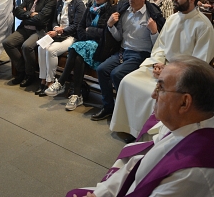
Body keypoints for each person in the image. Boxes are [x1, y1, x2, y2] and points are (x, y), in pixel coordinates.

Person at [66, 56, 214, 197]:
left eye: (161, 88)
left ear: (184, 103)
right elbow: (139, 166)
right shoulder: (183, 124)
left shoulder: (193, 171)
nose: (153, 95)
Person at [110, 0, 214, 140]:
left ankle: (147, 137)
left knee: (151, 94)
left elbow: (199, 64)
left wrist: (169, 71)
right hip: (162, 67)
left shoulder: (204, 26)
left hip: (182, 78)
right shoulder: (172, 19)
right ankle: (129, 128)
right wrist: (158, 63)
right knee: (127, 81)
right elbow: (160, 46)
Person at [92, 0, 164, 121]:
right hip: (123, 52)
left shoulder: (151, 15)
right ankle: (108, 107)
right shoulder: (124, 11)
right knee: (102, 69)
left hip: (141, 54)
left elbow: (158, 47)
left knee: (117, 74)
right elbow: (119, 37)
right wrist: (110, 25)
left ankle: (125, 112)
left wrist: (154, 31)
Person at [45, 0, 120, 111]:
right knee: (79, 56)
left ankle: (61, 82)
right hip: (86, 44)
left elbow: (107, 33)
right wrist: (87, 34)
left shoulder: (113, 10)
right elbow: (80, 27)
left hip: (103, 47)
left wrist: (89, 31)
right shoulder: (91, 6)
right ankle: (76, 94)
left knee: (76, 48)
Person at [3, 0, 57, 87]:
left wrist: (25, 15)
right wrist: (30, 14)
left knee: (26, 46)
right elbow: (17, 11)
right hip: (25, 28)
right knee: (7, 43)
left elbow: (41, 19)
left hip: (39, 31)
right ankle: (21, 71)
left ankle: (30, 74)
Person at [37, 0, 85, 96]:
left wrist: (61, 31)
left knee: (51, 50)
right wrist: (55, 28)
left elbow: (77, 25)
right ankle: (43, 79)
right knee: (41, 47)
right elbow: (53, 21)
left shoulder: (79, 4)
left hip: (70, 36)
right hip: (57, 34)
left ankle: (51, 82)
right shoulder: (60, 2)